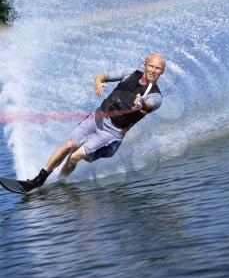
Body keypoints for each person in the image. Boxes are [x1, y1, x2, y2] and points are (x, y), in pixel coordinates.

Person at [18, 53, 166, 192]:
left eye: (157, 68)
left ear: (162, 72)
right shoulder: (130, 74)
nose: (153, 70)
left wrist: (141, 103)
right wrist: (98, 81)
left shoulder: (155, 95)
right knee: (68, 145)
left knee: (74, 156)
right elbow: (103, 75)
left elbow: (149, 104)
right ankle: (38, 180)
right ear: (145, 65)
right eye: (151, 66)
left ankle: (59, 183)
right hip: (97, 118)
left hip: (111, 133)